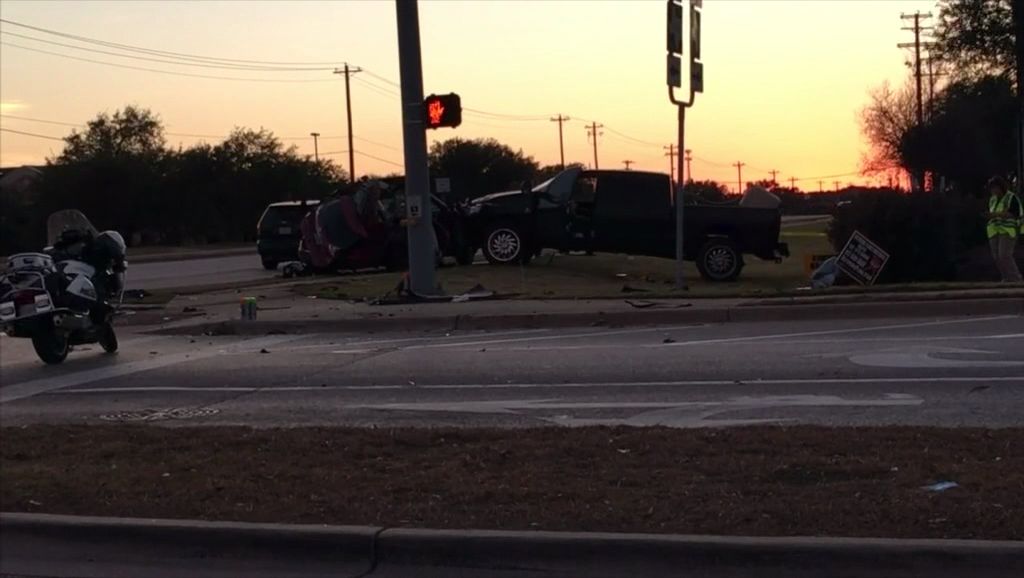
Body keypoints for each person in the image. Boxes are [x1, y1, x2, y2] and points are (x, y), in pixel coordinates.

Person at [985, 176, 1022, 282]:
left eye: (995, 188)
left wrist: (997, 214)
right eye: (992, 189)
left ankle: (1015, 278)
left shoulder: (1011, 197)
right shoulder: (992, 199)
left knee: (1004, 255)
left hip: (1008, 230)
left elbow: (1015, 214)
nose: (993, 191)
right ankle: (1006, 277)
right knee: (997, 257)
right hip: (994, 230)